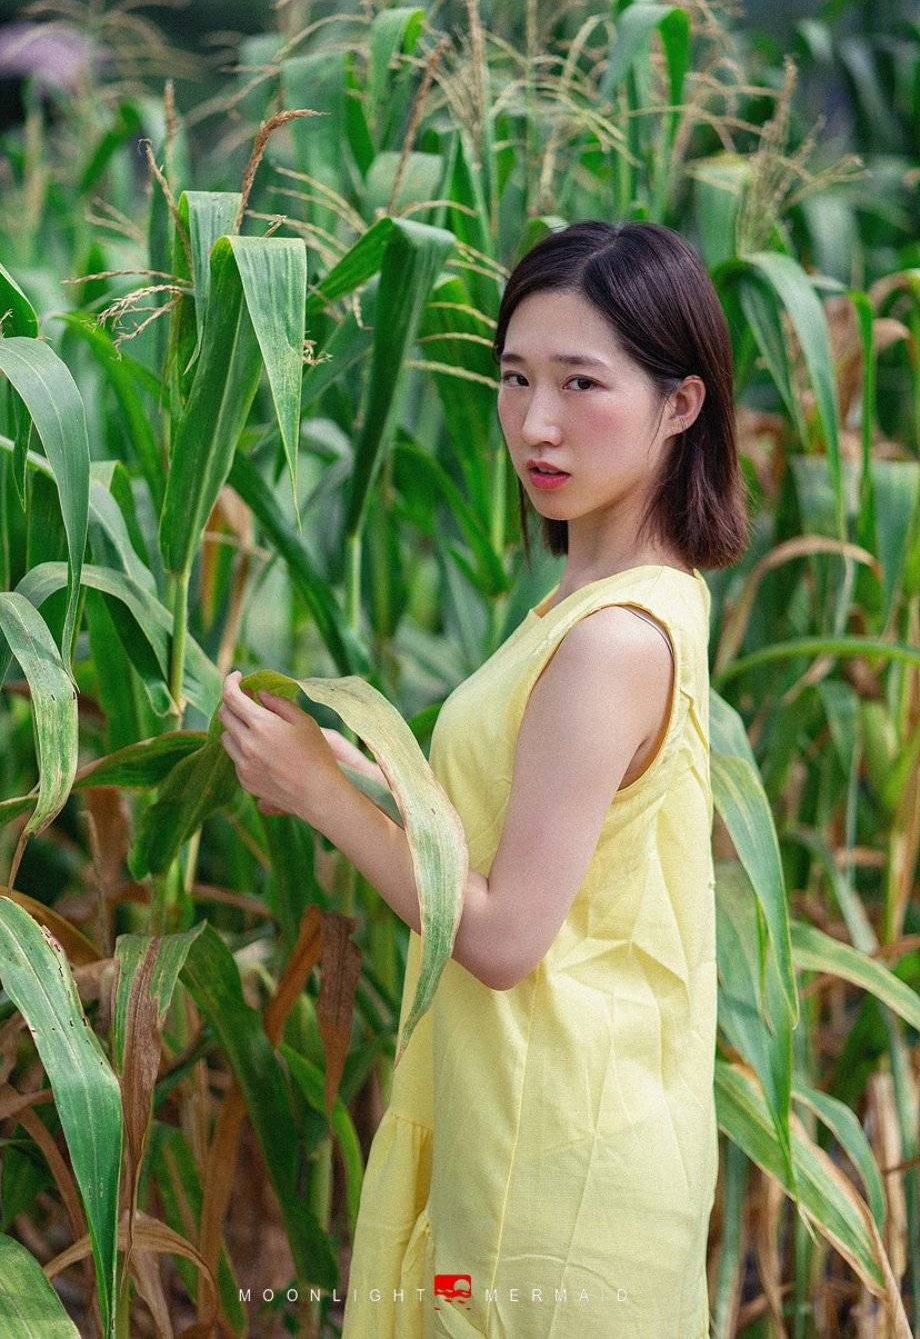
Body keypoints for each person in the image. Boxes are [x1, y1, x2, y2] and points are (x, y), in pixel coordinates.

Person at [219, 220, 749, 1336]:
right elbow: (524, 825)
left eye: (581, 383)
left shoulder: (612, 638)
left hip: (552, 1159)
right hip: (546, 1116)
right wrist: (352, 768)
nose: (536, 424)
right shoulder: (604, 595)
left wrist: (322, 796)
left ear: (681, 404)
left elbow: (506, 937)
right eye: (514, 378)